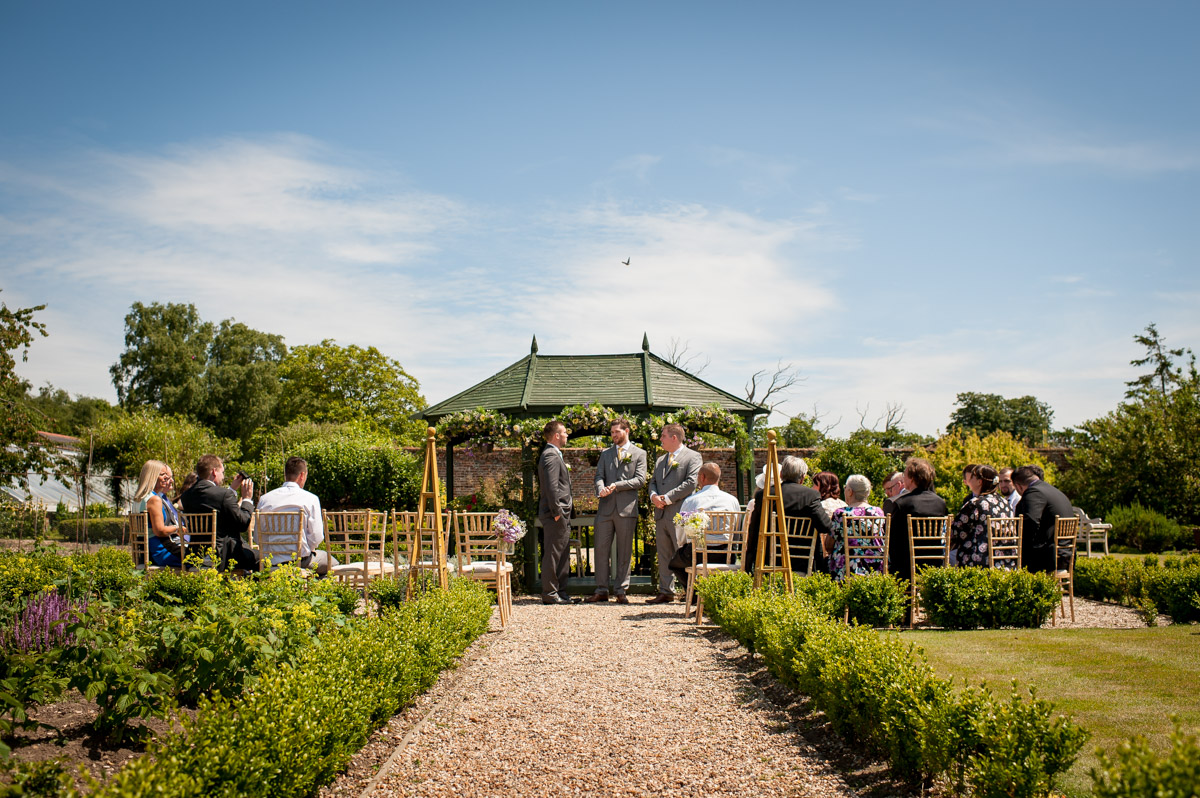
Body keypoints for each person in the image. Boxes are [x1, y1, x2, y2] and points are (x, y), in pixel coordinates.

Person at [744, 455, 834, 576]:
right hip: (802, 560)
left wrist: (749, 563)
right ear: (802, 478)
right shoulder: (811, 496)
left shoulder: (764, 494)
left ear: (781, 474)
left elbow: (754, 530)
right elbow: (825, 526)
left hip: (770, 559)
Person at [588, 420, 647, 604]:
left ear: (626, 431)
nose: (613, 435)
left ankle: (621, 590)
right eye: (612, 432)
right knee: (600, 550)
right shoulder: (605, 454)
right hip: (605, 509)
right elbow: (599, 476)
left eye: (617, 432)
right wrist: (600, 489)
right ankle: (601, 590)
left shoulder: (640, 453)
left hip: (626, 509)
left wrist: (616, 486)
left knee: (624, 552)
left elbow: (640, 480)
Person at [647, 423, 702, 604]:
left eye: (663, 436)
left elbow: (691, 483)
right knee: (663, 554)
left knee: (683, 553)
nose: (660, 439)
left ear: (674, 438)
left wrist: (667, 498)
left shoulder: (693, 457)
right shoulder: (660, 460)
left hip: (680, 514)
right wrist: (654, 496)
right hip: (661, 514)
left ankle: (690, 591)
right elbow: (653, 482)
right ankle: (666, 591)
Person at [256, 456, 335, 576]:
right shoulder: (310, 499)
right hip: (300, 560)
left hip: (271, 561)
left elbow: (258, 537)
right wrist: (306, 548)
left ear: (285, 474)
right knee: (332, 563)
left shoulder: (265, 499)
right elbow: (317, 536)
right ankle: (313, 590)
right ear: (302, 475)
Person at [180, 454, 260, 573]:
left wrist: (232, 489)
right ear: (214, 472)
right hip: (225, 554)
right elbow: (243, 523)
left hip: (196, 553)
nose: (223, 477)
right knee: (262, 558)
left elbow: (215, 502)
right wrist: (247, 499)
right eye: (222, 472)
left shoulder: (186, 496)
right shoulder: (223, 495)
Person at [883, 457, 948, 584]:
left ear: (912, 478)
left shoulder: (902, 503)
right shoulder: (940, 503)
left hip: (907, 565)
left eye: (905, 476)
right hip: (935, 561)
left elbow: (892, 538)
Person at [537, 420, 576, 605]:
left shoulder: (553, 454)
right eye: (565, 432)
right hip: (555, 514)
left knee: (561, 554)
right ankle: (550, 594)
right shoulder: (551, 455)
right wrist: (557, 512)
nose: (567, 435)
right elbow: (552, 487)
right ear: (556, 435)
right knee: (553, 554)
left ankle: (560, 592)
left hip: (560, 513)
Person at [1012, 465, 1074, 573]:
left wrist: (1015, 544)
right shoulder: (1054, 490)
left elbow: (1029, 522)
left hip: (1047, 558)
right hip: (1065, 554)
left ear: (1018, 486)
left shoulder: (1034, 492)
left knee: (1009, 558)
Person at [949, 465, 1012, 567]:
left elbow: (956, 531)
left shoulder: (976, 503)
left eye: (972, 477)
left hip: (980, 560)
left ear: (980, 482)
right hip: (1005, 559)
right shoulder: (1005, 502)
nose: (969, 480)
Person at [826, 474, 885, 580]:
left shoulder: (841, 513)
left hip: (846, 570)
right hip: (874, 568)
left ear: (850, 492)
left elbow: (828, 546)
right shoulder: (878, 512)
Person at [132, 460, 187, 567]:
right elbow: (160, 531)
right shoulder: (154, 499)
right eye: (163, 475)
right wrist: (178, 528)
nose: (167, 478)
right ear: (152, 476)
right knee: (199, 559)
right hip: (161, 551)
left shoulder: (138, 499)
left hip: (146, 552)